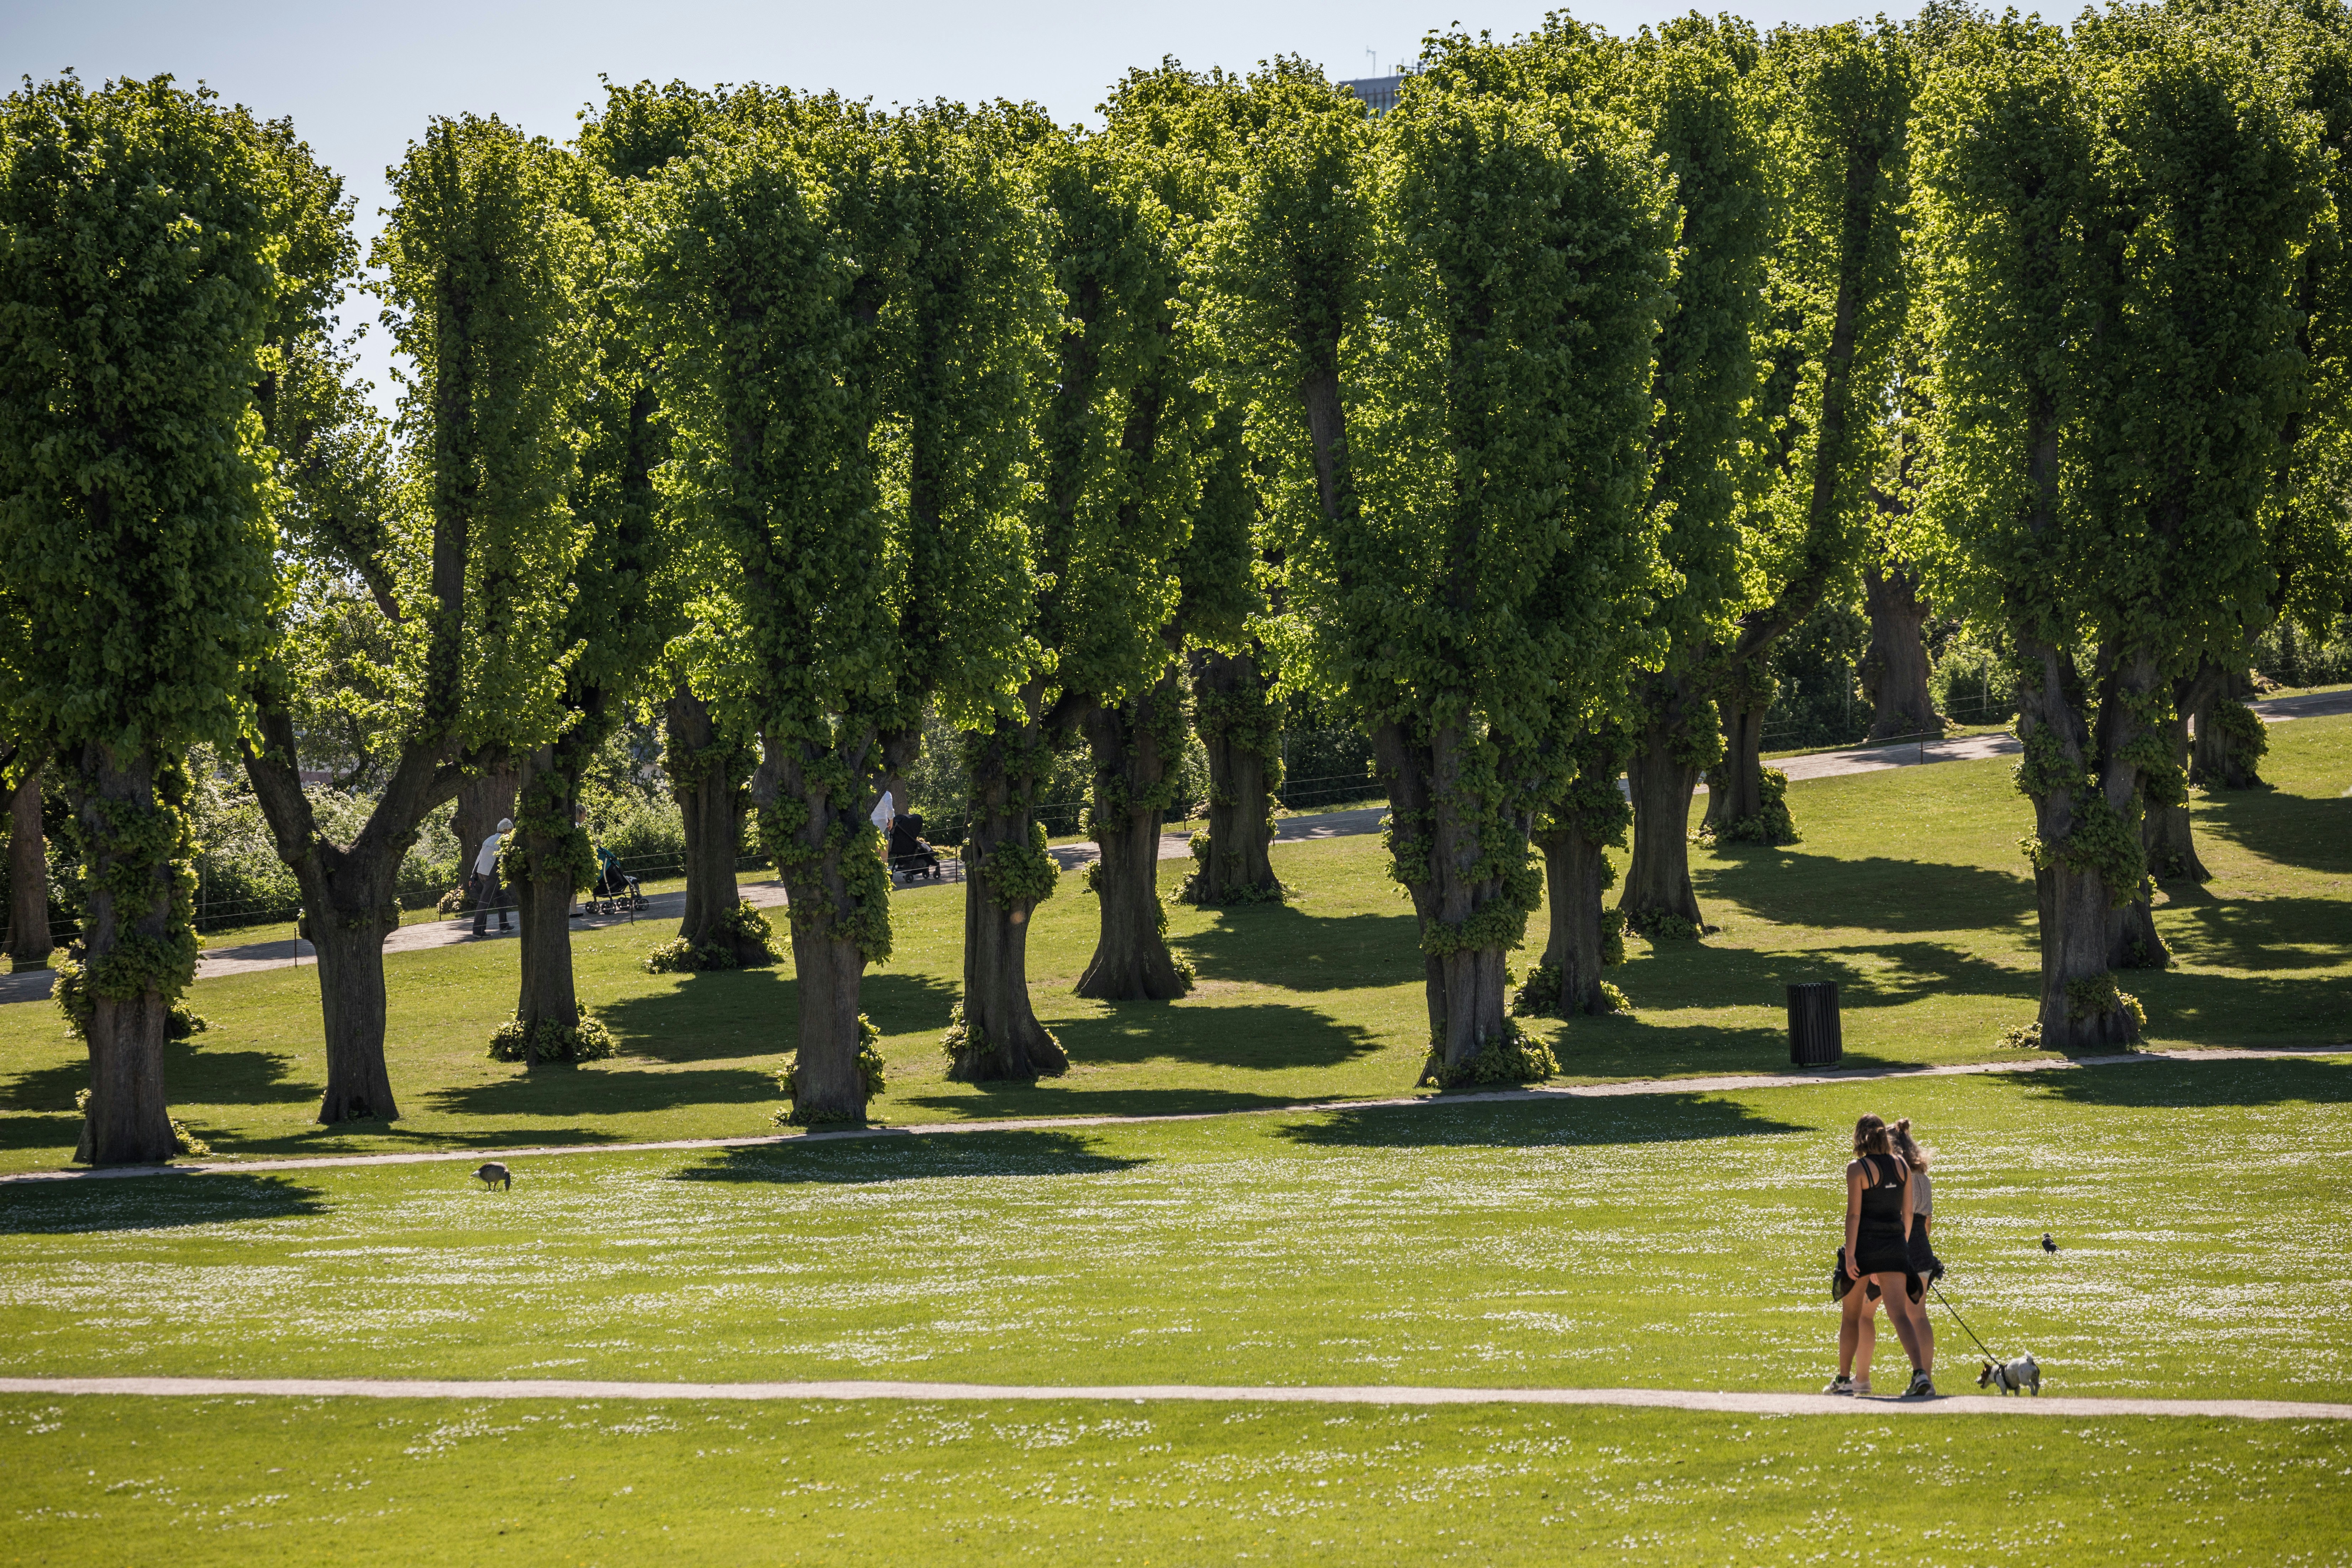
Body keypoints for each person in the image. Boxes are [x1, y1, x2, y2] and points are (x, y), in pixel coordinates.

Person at [1824, 1112, 1935, 1399]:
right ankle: (1919, 1374)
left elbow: (1853, 1215)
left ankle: (1845, 1379)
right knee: (1900, 1315)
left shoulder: (1857, 1168)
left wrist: (1850, 1256)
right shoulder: (1902, 1166)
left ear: (1859, 1138)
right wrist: (1903, 1244)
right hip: (1895, 1246)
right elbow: (1908, 1213)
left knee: (1851, 1316)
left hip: (1864, 1249)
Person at [471, 817, 513, 936]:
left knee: (501, 898)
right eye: (510, 831)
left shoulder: (489, 839)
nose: (510, 833)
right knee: (484, 903)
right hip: (492, 875)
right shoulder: (504, 841)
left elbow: (479, 858)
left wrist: (473, 875)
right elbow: (502, 859)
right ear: (507, 831)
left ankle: (505, 926)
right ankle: (478, 931)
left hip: (482, 874)